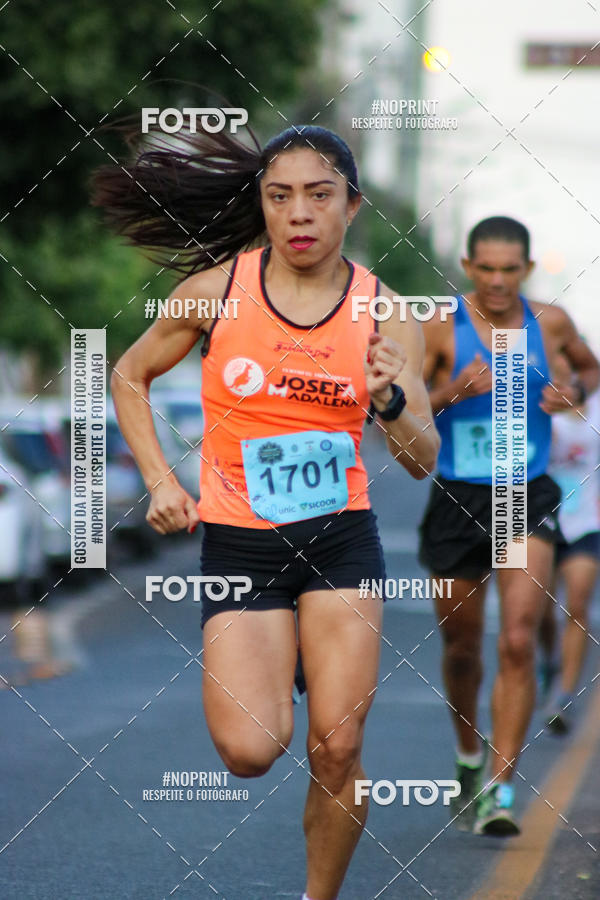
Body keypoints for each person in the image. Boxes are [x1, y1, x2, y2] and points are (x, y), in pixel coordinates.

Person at [92, 123, 440, 900]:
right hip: (243, 549)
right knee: (250, 750)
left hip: (342, 545)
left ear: (352, 206)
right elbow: (128, 375)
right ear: (263, 205)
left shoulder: (385, 311)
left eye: (319, 196)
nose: (298, 213)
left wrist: (389, 398)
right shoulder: (215, 293)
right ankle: (278, 658)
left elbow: (422, 457)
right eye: (279, 196)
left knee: (339, 745)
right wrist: (159, 481)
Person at [419, 216, 600, 836]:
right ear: (469, 267)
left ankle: (499, 789)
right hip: (457, 496)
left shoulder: (550, 322)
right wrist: (450, 392)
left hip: (526, 493)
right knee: (462, 649)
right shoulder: (439, 327)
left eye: (510, 270)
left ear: (525, 269)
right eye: (486, 268)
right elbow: (395, 410)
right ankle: (469, 757)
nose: (498, 282)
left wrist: (572, 389)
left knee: (518, 640)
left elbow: (589, 370)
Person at [540, 362, 600, 733]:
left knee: (577, 603)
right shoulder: (536, 405)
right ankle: (550, 661)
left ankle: (563, 696)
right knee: (540, 612)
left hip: (585, 523)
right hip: (540, 522)